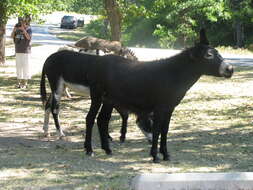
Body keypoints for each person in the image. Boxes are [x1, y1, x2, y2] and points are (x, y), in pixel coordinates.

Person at [11, 17, 32, 89]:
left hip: (26, 51)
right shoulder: (17, 29)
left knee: (26, 67)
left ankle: (25, 83)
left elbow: (29, 38)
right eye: (21, 23)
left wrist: (24, 31)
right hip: (18, 51)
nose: (22, 24)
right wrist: (14, 30)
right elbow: (11, 36)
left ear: (26, 23)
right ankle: (18, 82)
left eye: (23, 23)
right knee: (18, 67)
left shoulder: (29, 29)